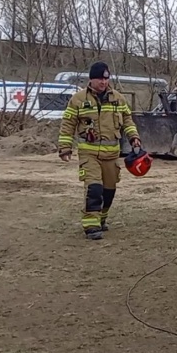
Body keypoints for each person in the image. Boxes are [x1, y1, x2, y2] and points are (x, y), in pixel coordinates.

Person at [58, 61, 141, 240]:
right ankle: (91, 225)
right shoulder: (78, 99)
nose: (103, 82)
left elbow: (128, 120)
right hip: (89, 155)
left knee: (109, 191)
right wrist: (65, 147)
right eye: (99, 79)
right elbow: (68, 124)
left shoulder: (118, 98)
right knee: (94, 189)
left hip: (111, 155)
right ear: (91, 79)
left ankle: (101, 218)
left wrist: (134, 137)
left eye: (106, 79)